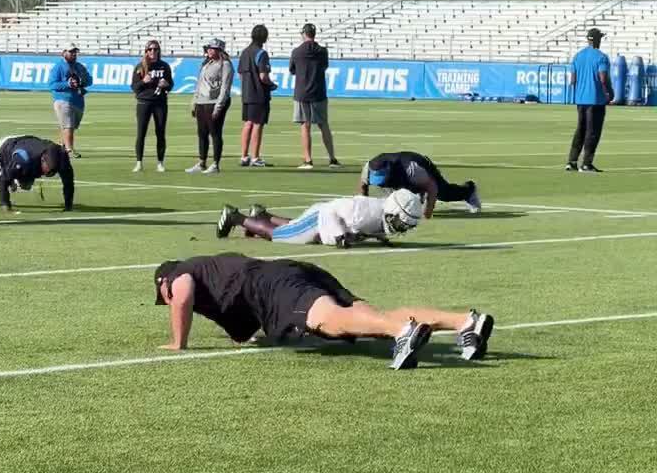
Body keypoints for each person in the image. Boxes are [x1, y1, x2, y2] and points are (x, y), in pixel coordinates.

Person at [154, 252, 495, 369]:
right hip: (294, 271)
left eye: (163, 297)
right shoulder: (216, 273)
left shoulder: (179, 274)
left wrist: (177, 342)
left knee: (328, 322)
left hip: (276, 286)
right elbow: (244, 330)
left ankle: (403, 335)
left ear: (162, 283)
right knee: (372, 316)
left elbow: (181, 295)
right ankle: (466, 322)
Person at [216, 189, 422, 246]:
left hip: (325, 216)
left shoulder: (378, 213)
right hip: (324, 216)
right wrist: (340, 236)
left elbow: (368, 229)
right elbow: (333, 214)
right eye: (400, 223)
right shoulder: (364, 214)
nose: (401, 228)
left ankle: (262, 215)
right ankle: (236, 217)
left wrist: (378, 237)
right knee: (280, 235)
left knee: (295, 226)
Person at [0, 135, 74, 213]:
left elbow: (68, 183)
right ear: (42, 160)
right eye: (46, 170)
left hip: (26, 150)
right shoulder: (23, 157)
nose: (48, 173)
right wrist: (6, 205)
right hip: (4, 150)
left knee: (26, 185)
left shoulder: (63, 160)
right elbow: (3, 180)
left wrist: (68, 206)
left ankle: (15, 178)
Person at [359, 151, 481, 217]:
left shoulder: (413, 169)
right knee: (396, 197)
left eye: (383, 181)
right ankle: (417, 196)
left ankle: (469, 190)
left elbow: (432, 188)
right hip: (402, 177)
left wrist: (428, 212)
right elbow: (363, 186)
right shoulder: (368, 169)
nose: (381, 185)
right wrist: (364, 207)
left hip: (419, 164)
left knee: (444, 193)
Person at [289, 22, 340, 169]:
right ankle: (332, 159)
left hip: (302, 92)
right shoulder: (322, 51)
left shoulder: (297, 51)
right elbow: (324, 67)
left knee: (305, 126)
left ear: (304, 34)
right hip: (319, 91)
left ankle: (308, 160)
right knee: (324, 125)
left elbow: (292, 70)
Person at [565, 27, 613, 172]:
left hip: (580, 100)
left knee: (580, 130)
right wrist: (609, 92)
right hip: (596, 100)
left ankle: (572, 162)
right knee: (592, 132)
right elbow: (603, 78)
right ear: (598, 39)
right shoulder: (601, 57)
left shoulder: (578, 56)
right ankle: (586, 163)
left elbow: (572, 80)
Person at [185, 37, 234, 175]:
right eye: (209, 48)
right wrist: (194, 102)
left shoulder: (225, 65)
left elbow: (225, 87)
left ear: (219, 50)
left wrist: (219, 106)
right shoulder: (206, 64)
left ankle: (215, 164)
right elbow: (199, 84)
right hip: (202, 102)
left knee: (215, 133)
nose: (209, 50)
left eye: (212, 48)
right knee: (202, 133)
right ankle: (202, 162)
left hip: (213, 102)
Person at [131, 39, 174, 172]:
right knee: (141, 133)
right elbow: (134, 87)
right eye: (150, 49)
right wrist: (144, 81)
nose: (153, 52)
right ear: (146, 51)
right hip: (144, 102)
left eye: (155, 49)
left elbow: (171, 84)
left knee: (160, 132)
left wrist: (166, 85)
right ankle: (139, 162)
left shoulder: (164, 66)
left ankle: (160, 162)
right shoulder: (140, 67)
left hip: (160, 102)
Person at [238, 24, 277, 167]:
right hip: (259, 94)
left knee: (247, 123)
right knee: (258, 124)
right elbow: (263, 76)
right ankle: (255, 157)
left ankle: (244, 156)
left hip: (246, 94)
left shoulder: (244, 52)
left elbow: (241, 74)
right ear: (265, 38)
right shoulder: (261, 53)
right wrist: (272, 85)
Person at [48, 43, 93, 159]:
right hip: (63, 99)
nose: (73, 54)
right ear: (64, 53)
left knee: (69, 126)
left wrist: (82, 81)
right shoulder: (58, 67)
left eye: (75, 52)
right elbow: (52, 85)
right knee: (68, 126)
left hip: (78, 100)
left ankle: (60, 147)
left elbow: (89, 80)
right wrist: (67, 84)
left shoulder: (79, 67)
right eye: (71, 52)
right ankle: (69, 150)